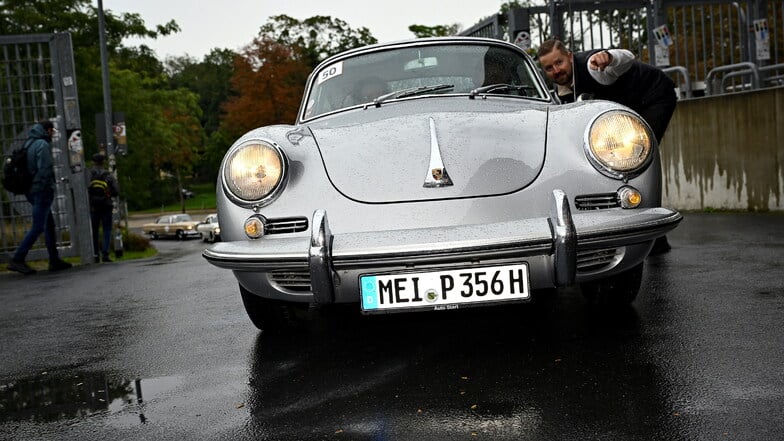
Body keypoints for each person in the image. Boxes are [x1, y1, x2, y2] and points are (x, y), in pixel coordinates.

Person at [537, 39, 677, 254]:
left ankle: (654, 236)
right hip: (625, 110)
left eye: (560, 62)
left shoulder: (594, 67)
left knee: (638, 161)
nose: (556, 70)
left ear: (571, 57)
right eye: (549, 67)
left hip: (653, 97)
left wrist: (608, 57)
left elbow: (626, 57)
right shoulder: (559, 91)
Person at [7, 121, 73, 275]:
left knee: (49, 224)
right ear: (48, 130)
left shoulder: (29, 143)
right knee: (38, 226)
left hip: (30, 190)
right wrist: (46, 187)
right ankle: (17, 259)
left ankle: (54, 259)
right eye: (52, 131)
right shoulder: (42, 144)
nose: (53, 134)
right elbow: (45, 169)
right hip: (41, 190)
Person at [88, 153, 119, 263]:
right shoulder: (108, 175)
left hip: (93, 206)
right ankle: (105, 253)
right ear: (103, 162)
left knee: (94, 230)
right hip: (106, 205)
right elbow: (116, 191)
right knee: (107, 229)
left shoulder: (89, 174)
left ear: (93, 162)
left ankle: (95, 254)